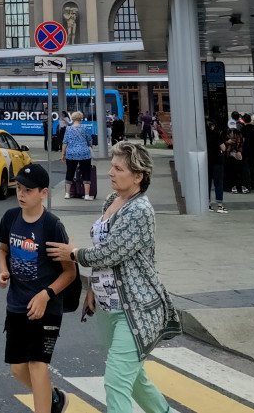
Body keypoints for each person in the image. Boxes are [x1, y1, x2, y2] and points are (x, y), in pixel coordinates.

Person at [47, 141, 181, 413]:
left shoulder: (139, 210)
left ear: (138, 176)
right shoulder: (112, 200)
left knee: (117, 381)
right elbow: (103, 249)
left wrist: (72, 254)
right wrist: (93, 288)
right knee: (135, 378)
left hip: (136, 309)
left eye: (118, 169)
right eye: (112, 166)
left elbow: (110, 253)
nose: (110, 173)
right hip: (108, 308)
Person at [0, 164, 76, 413]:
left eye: (28, 190)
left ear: (43, 193)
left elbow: (70, 272)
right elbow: (3, 250)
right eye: (19, 188)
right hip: (17, 304)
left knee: (37, 364)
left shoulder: (51, 226)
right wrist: (3, 271)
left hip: (46, 306)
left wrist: (46, 295)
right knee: (17, 368)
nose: (21, 194)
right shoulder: (10, 218)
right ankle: (54, 399)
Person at [63, 112, 93, 200]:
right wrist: (90, 145)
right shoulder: (85, 128)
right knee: (86, 173)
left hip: (71, 153)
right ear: (81, 118)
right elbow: (89, 141)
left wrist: (63, 154)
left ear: (72, 119)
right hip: (84, 153)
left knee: (70, 172)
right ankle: (86, 195)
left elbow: (65, 142)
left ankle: (67, 194)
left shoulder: (68, 129)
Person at [205, 118, 227, 212]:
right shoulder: (216, 134)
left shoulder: (202, 135)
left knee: (207, 183)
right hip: (217, 160)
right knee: (218, 182)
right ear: (212, 126)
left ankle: (207, 203)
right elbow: (223, 147)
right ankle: (219, 204)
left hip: (206, 161)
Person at [224, 123, 247, 194]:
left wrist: (239, 151)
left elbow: (241, 143)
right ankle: (237, 186)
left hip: (232, 153)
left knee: (237, 170)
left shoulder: (236, 133)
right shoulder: (227, 133)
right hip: (230, 154)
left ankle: (237, 186)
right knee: (235, 171)